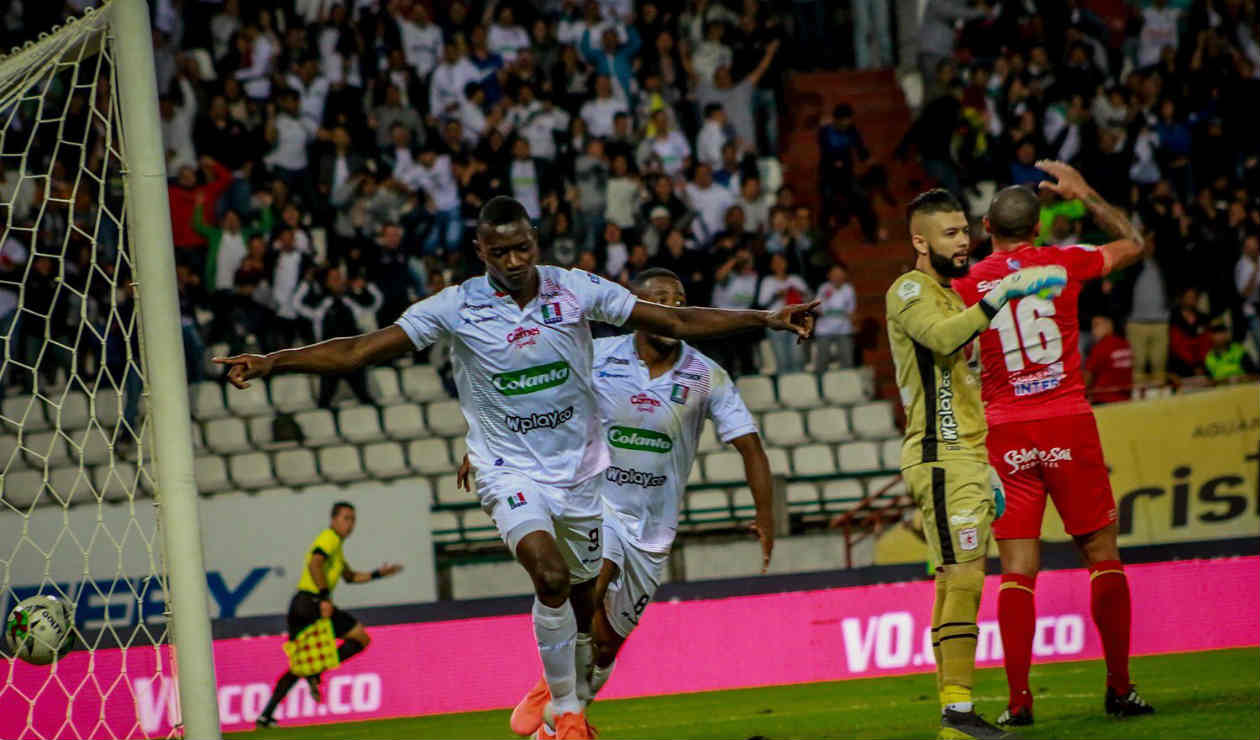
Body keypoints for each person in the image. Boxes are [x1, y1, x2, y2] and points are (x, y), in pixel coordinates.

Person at [216, 197, 817, 740]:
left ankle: (554, 707)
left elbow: (679, 324)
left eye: (521, 248)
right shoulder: (456, 306)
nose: (511, 260)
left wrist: (766, 319)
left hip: (582, 477)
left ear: (535, 240)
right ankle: (567, 711)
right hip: (508, 471)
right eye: (498, 251)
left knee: (592, 623)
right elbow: (361, 349)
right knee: (550, 577)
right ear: (479, 251)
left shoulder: (577, 289)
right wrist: (272, 361)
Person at [457, 268, 775, 736]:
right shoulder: (596, 357)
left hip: (653, 528)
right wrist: (484, 443)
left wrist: (765, 514)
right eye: (660, 299)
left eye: (679, 298)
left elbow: (750, 445)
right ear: (637, 308)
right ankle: (566, 712)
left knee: (605, 647)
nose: (671, 307)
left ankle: (556, 713)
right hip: (595, 505)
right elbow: (536, 396)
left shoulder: (707, 376)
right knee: (590, 582)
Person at [950, 163, 1153, 727]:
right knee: (1102, 555)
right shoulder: (1064, 261)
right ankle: (1120, 689)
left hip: (1006, 429)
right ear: (1037, 229)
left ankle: (1018, 703)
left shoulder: (967, 283)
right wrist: (1084, 191)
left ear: (986, 226)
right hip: (1067, 420)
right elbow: (1133, 243)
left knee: (1017, 568)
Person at [887, 188, 1067, 740]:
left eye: (966, 230)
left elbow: (959, 383)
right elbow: (943, 342)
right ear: (920, 241)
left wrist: (983, 461)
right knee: (965, 577)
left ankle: (955, 713)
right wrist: (1002, 294)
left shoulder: (944, 293)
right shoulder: (912, 289)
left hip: (962, 457)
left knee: (952, 581)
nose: (963, 242)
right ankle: (959, 716)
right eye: (950, 233)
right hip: (941, 459)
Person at [255, 501, 403, 728]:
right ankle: (314, 671)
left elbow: (350, 577)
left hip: (302, 605)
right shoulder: (329, 538)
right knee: (359, 638)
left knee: (300, 666)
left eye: (353, 519)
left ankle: (266, 715)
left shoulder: (336, 547)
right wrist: (324, 597)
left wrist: (378, 574)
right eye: (345, 518)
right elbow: (315, 563)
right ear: (333, 520)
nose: (350, 524)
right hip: (311, 603)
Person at [814, 263, 857, 371]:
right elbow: (817, 307)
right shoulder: (824, 288)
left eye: (840, 274)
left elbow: (851, 310)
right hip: (824, 330)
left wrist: (853, 324)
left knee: (847, 360)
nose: (837, 276)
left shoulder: (848, 289)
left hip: (843, 329)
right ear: (829, 275)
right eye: (835, 274)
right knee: (822, 361)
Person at [1083, 315, 1133, 404]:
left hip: (1103, 399)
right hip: (1125, 399)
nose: (1093, 331)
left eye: (1096, 326)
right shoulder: (1125, 344)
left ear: (1108, 326)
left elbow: (1087, 377)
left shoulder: (1101, 347)